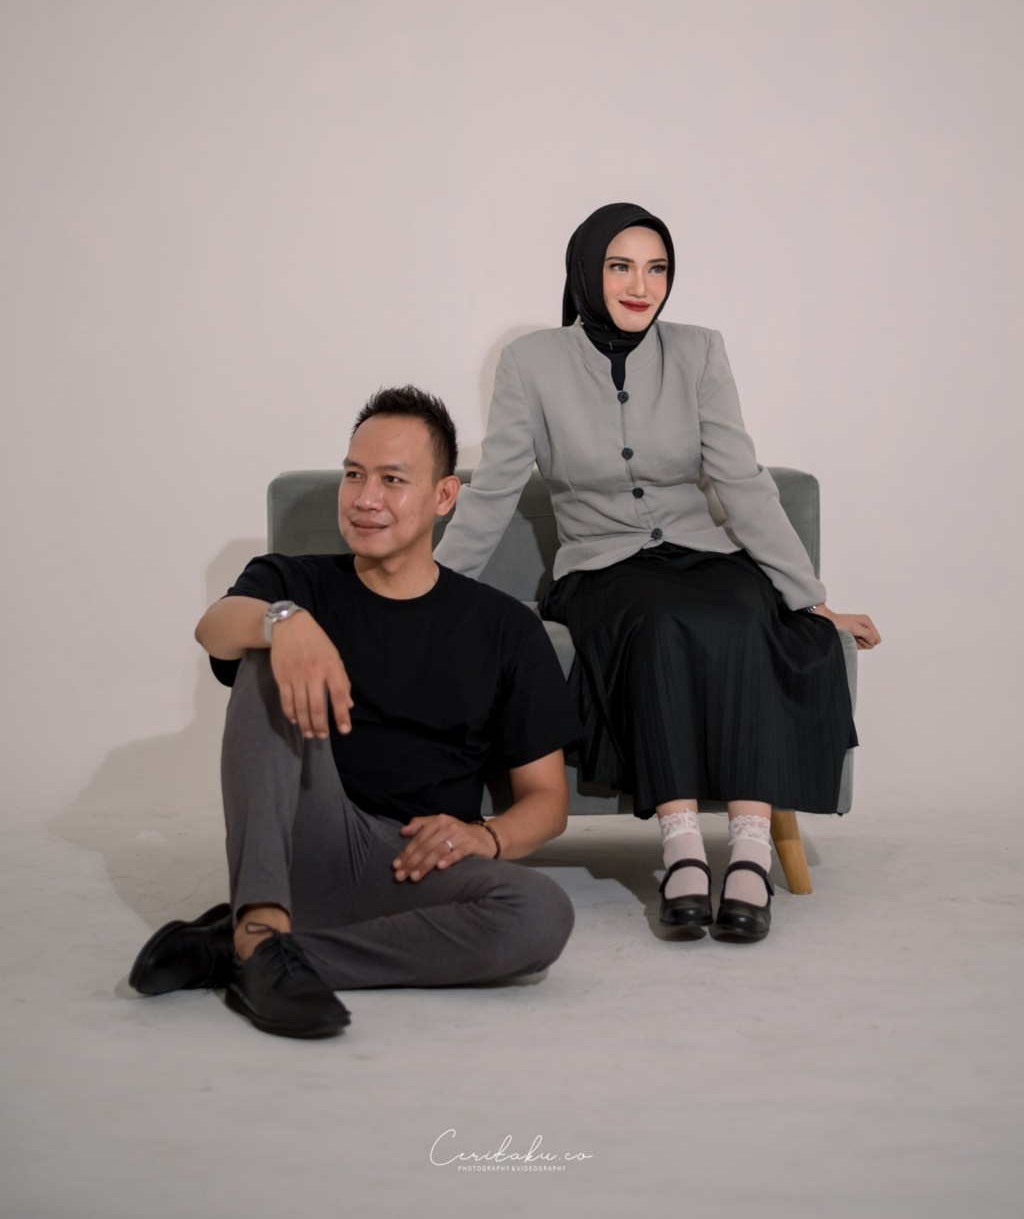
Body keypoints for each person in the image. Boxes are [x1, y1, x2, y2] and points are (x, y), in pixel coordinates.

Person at [435, 204, 880, 944]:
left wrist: (811, 598)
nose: (641, 286)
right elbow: (494, 490)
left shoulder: (699, 352)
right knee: (660, 621)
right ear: (587, 272)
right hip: (603, 565)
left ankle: (749, 849)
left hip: (706, 554)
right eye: (620, 267)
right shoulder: (532, 363)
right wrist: (432, 590)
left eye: (657, 268)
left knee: (746, 614)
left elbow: (741, 479)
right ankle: (681, 849)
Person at [129, 386, 578, 1038]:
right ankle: (262, 919)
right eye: (354, 475)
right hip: (306, 834)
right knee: (265, 653)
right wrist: (284, 621)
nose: (366, 498)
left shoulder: (505, 629)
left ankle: (252, 951)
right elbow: (215, 629)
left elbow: (546, 799)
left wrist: (486, 837)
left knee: (540, 914)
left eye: (392, 479)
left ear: (444, 496)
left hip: (409, 863)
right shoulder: (295, 582)